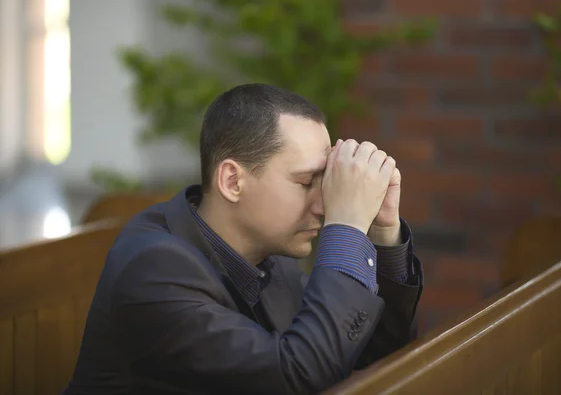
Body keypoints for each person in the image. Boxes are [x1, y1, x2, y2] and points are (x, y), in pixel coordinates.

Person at [63, 83, 424, 395]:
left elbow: (367, 352)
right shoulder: (153, 270)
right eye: (305, 182)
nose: (324, 205)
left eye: (325, 181)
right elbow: (297, 379)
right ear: (232, 181)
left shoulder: (268, 250)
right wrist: (345, 228)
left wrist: (381, 230)